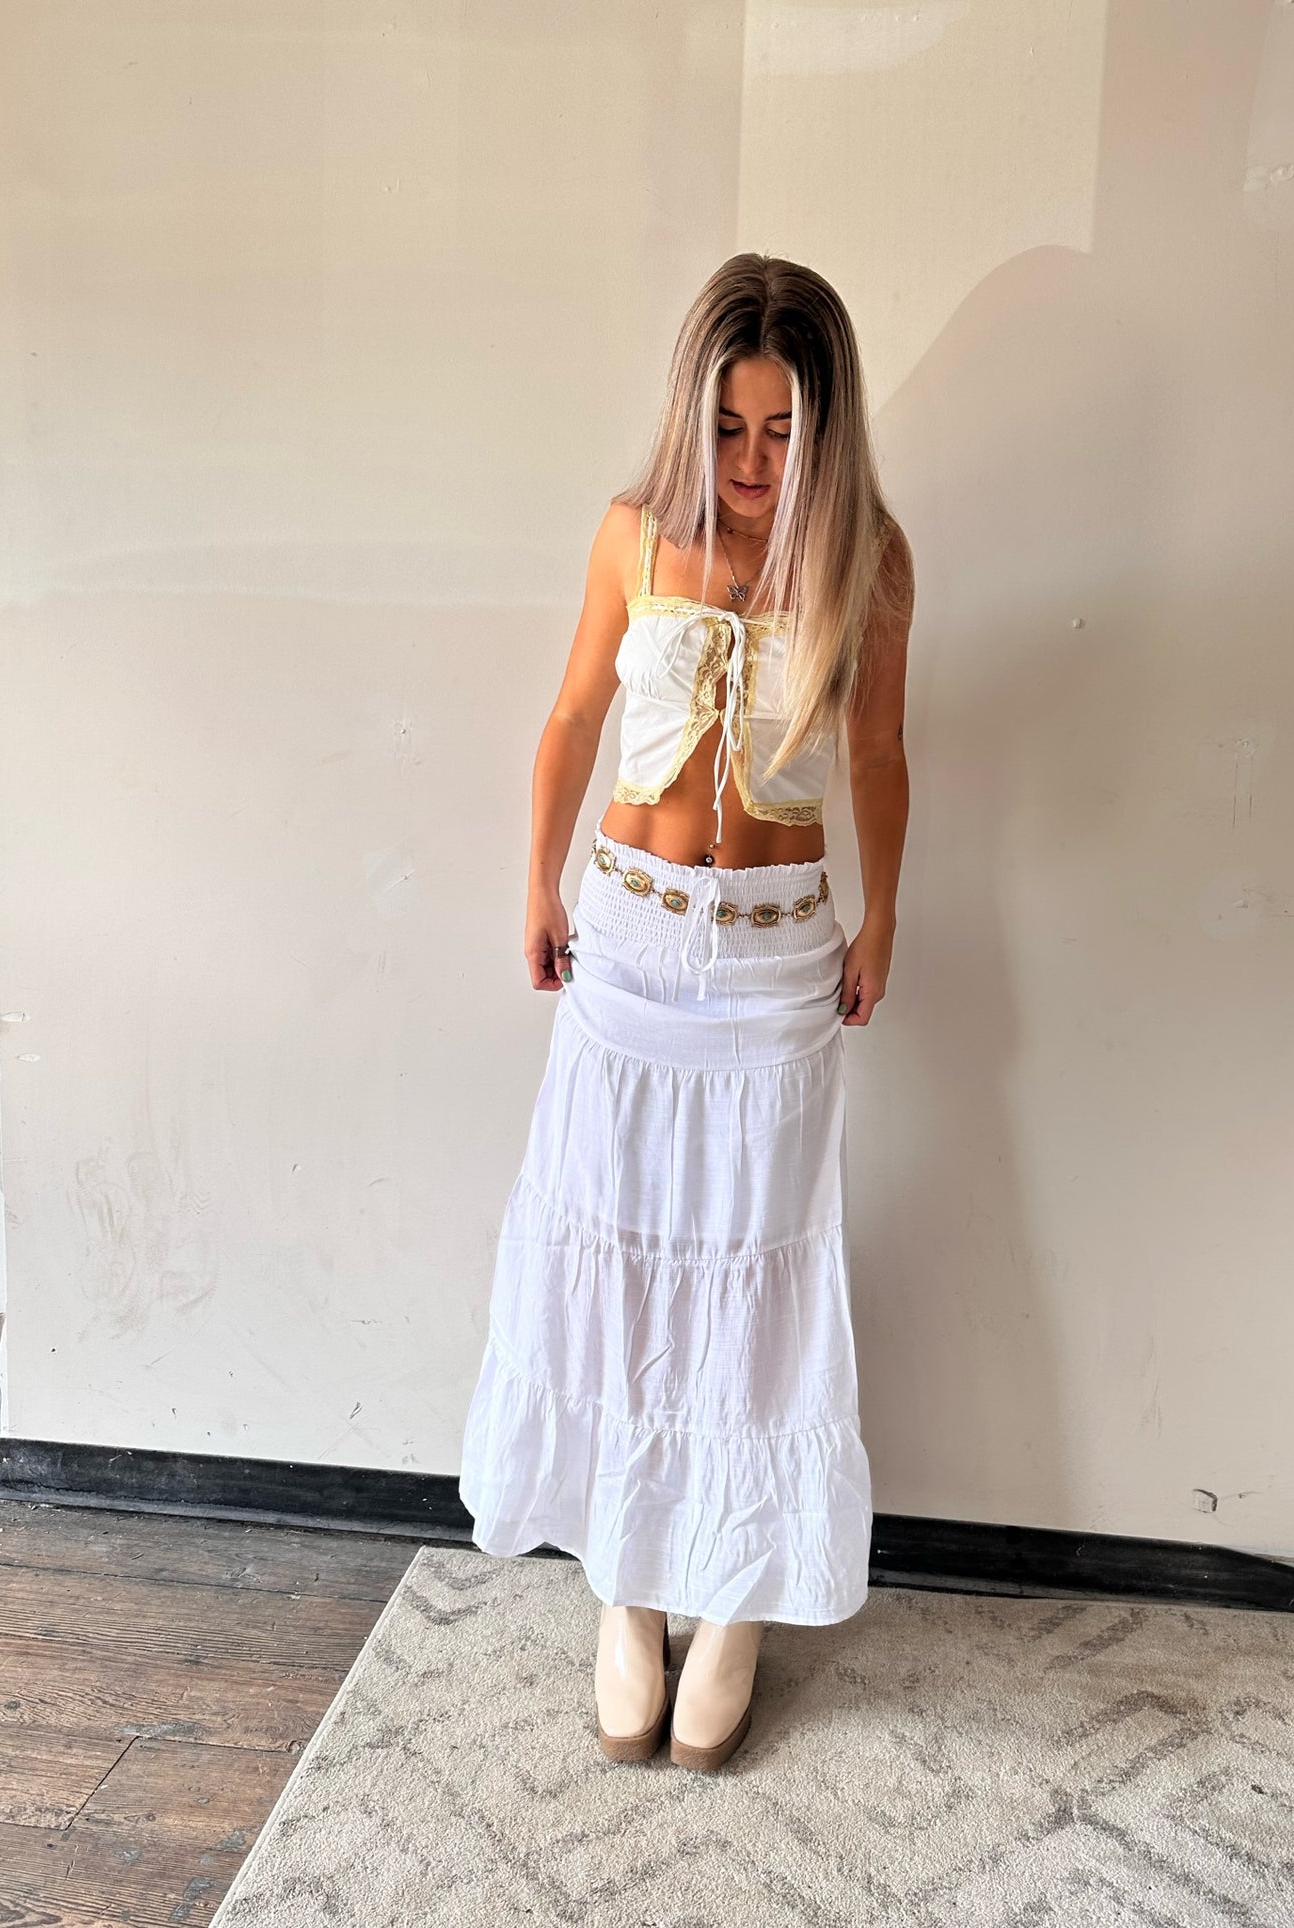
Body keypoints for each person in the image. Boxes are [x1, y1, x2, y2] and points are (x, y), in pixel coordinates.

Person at [459, 251, 914, 1771]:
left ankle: (737, 1598)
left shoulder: (869, 563)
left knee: (756, 1288)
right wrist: (536, 883)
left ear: (826, 431)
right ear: (689, 413)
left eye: (784, 432)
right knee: (623, 1271)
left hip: (779, 964)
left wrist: (884, 915)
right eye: (728, 427)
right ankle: (630, 1579)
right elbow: (575, 713)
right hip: (630, 949)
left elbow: (876, 756)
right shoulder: (632, 534)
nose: (751, 464)